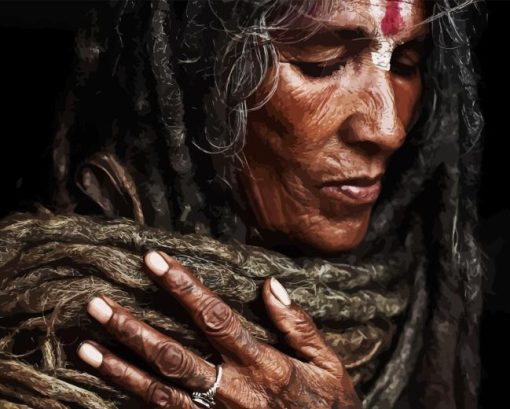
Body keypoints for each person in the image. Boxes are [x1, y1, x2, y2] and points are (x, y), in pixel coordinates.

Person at [0, 0, 486, 408]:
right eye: (322, 61)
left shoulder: (431, 310)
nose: (388, 129)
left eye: (405, 66)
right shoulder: (39, 326)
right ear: (200, 84)